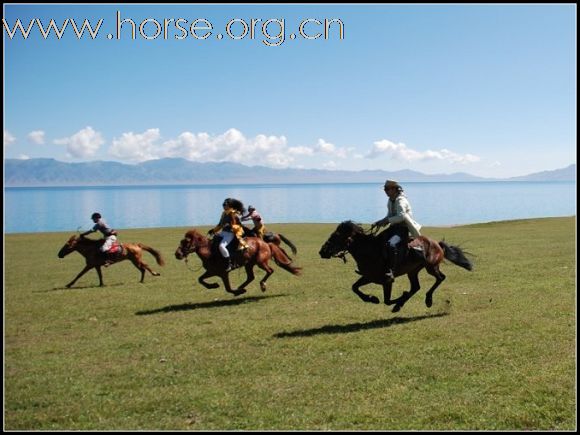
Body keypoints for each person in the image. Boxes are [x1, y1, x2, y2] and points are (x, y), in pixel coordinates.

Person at [371, 180, 422, 282]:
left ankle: (391, 270)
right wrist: (380, 222)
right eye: (385, 189)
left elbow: (401, 217)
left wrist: (387, 220)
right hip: (393, 228)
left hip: (402, 229)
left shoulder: (401, 200)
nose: (385, 191)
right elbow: (389, 215)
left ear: (394, 189)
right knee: (377, 240)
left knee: (391, 244)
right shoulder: (390, 200)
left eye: (387, 189)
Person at [208, 198, 249, 271]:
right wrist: (213, 230)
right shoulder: (224, 213)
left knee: (221, 246)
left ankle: (229, 263)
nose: (223, 206)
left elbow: (239, 224)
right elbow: (220, 224)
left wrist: (230, 226)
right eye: (223, 204)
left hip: (231, 233)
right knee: (212, 242)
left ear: (229, 205)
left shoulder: (234, 213)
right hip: (223, 233)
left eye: (225, 205)